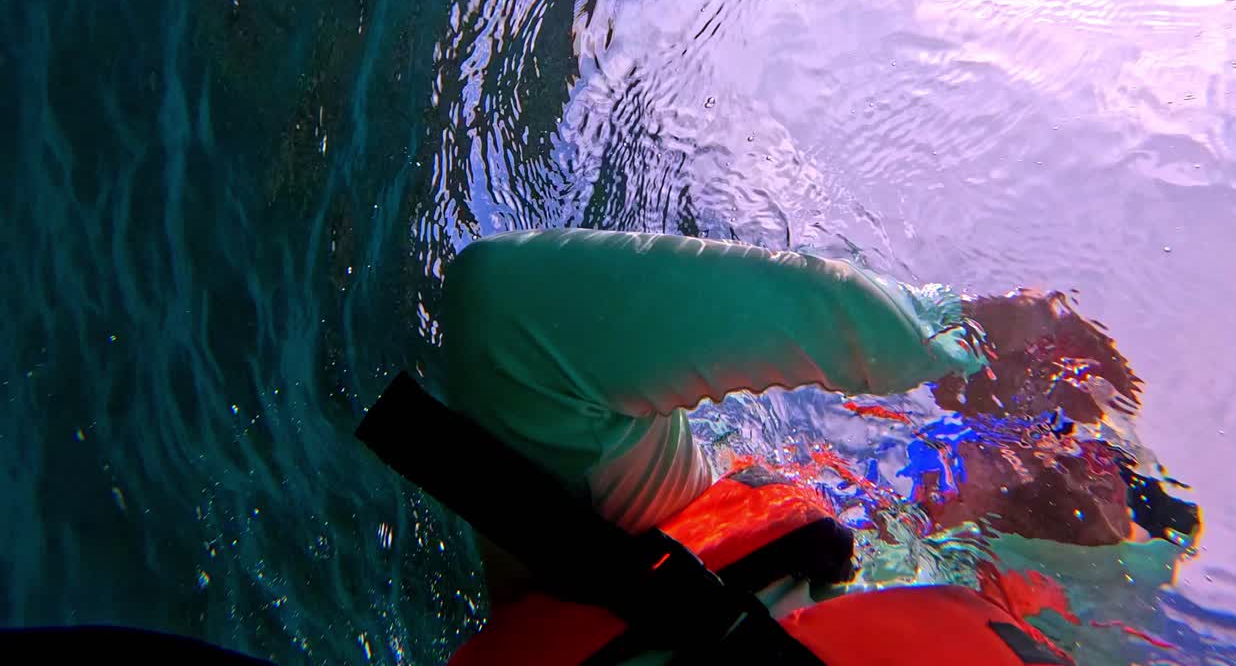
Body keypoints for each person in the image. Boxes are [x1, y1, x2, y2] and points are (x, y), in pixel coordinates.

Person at [410, 228, 1098, 665]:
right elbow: (511, 319)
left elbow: (510, 322)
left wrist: (935, 337)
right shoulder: (680, 562)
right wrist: (948, 332)